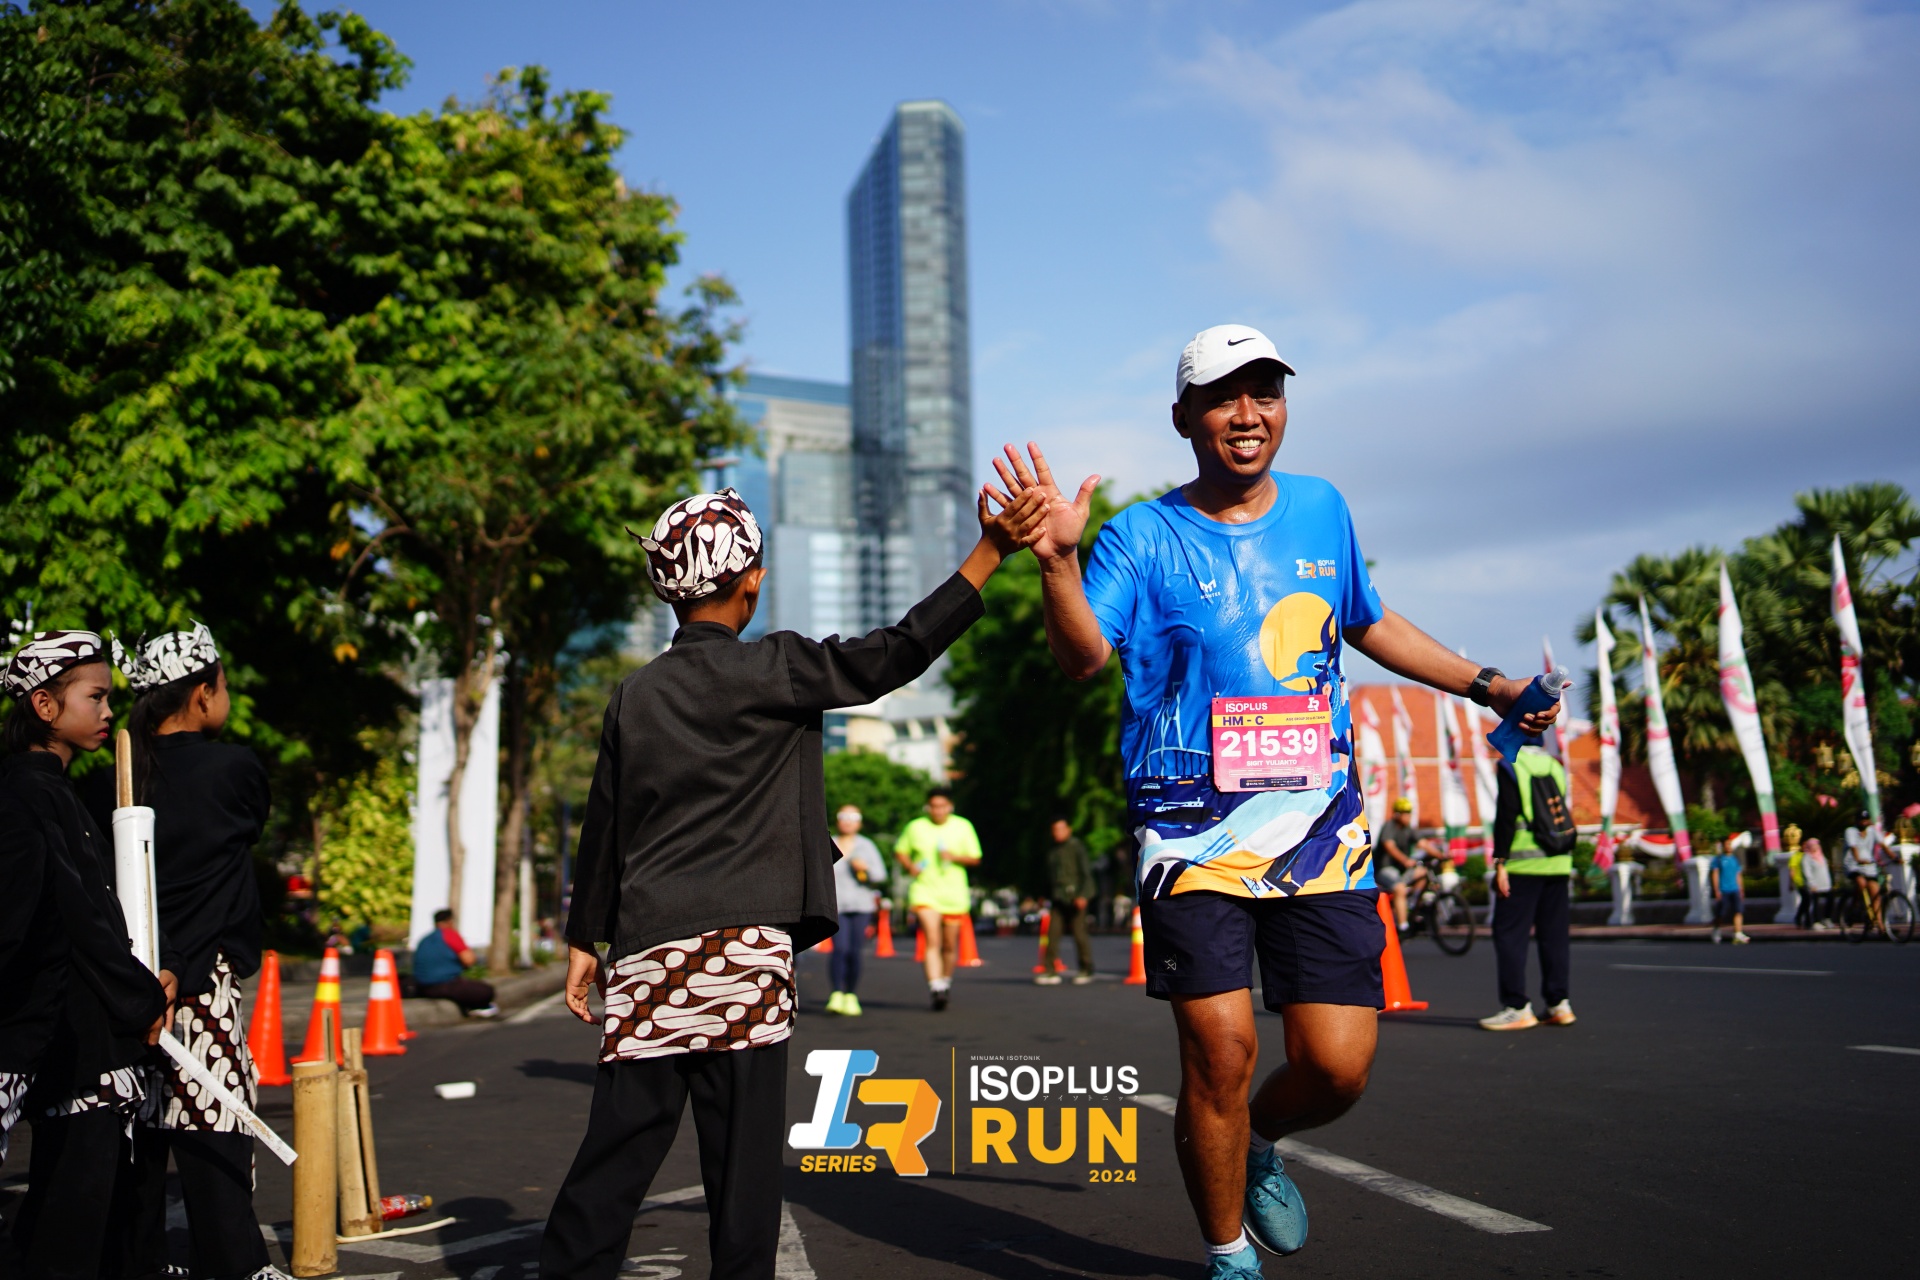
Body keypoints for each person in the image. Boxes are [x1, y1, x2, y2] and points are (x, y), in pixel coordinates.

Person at [999, 324, 1559, 1278]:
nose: (1248, 414)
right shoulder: (1140, 535)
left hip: (1319, 828)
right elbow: (1083, 657)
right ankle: (1228, 1258)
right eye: (1224, 397)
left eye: (1266, 392)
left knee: (1338, 1065)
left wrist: (1489, 685)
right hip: (1190, 831)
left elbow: (1368, 623)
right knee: (1220, 1051)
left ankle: (1255, 1139)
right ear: (1184, 418)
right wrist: (1057, 562)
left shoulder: (1322, 509)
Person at [540, 483, 1044, 1280]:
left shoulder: (633, 696)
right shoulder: (778, 666)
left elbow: (606, 826)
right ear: (751, 581)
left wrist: (583, 940)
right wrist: (990, 552)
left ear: (668, 589)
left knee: (615, 1158)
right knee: (742, 1178)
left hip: (648, 956)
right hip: (744, 958)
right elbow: (897, 651)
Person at [84, 625, 286, 1280]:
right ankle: (235, 1265)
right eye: (221, 686)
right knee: (214, 1115)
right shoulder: (235, 769)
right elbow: (242, 840)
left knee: (140, 1125)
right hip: (199, 973)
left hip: (127, 976)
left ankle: (136, 1263)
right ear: (202, 694)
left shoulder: (115, 778)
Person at [0, 630, 171, 1280]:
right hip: (65, 1039)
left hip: (72, 1036)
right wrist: (142, 996)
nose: (107, 710)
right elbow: (78, 921)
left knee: (73, 1215)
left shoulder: (51, 791)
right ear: (44, 706)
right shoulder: (30, 796)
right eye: (94, 697)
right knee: (69, 1224)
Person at [1480, 733, 1576, 1030]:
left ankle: (1517, 1006)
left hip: (1523, 864)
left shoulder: (1512, 764)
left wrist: (1500, 862)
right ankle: (1559, 1004)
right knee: (1554, 936)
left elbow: (1506, 816)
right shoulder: (1556, 765)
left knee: (1509, 934)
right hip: (1558, 860)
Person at [896, 786, 983, 1011]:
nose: (938, 811)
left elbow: (976, 858)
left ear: (950, 807)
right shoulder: (916, 826)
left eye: (942, 806)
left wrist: (953, 857)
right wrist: (910, 866)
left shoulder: (963, 826)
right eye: (934, 806)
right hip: (925, 891)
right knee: (932, 939)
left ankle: (945, 981)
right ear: (928, 807)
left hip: (954, 894)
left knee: (949, 944)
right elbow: (901, 851)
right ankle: (935, 986)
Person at [827, 805, 889, 1016]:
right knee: (840, 949)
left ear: (859, 822)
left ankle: (851, 994)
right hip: (836, 906)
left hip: (861, 906)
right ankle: (836, 993)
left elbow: (880, 875)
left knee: (854, 952)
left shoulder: (866, 845)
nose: (847, 820)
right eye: (843, 816)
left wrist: (865, 869)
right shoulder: (829, 843)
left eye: (852, 817)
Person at [1038, 817, 1096, 985]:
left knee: (1079, 934)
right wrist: (1043, 896)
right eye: (1055, 830)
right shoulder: (1052, 850)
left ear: (1068, 830)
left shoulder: (1076, 847)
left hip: (1076, 897)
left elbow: (1086, 874)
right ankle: (1050, 970)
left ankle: (1086, 969)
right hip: (1058, 898)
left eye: (1061, 829)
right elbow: (1048, 876)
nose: (1057, 833)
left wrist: (1083, 895)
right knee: (1053, 934)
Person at [413, 909, 498, 1016]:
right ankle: (476, 1008)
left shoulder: (424, 940)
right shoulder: (450, 935)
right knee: (486, 990)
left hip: (423, 986)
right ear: (449, 921)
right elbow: (469, 959)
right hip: (444, 984)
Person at [1375, 797, 1418, 933]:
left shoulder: (1408, 829)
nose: (1408, 816)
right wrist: (1405, 860)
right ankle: (1403, 926)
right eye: (1405, 813)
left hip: (1401, 870)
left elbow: (1422, 843)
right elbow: (1389, 846)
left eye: (1409, 813)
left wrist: (1441, 855)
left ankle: (1411, 904)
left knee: (1422, 872)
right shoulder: (1389, 827)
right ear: (1397, 814)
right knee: (1399, 888)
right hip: (1384, 869)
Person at [1842, 811, 1886, 930]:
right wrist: (1858, 859)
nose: (1864, 822)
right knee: (1861, 883)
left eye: (1866, 820)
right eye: (1861, 820)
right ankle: (1855, 906)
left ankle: (1880, 925)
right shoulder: (1850, 831)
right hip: (1853, 865)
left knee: (1875, 892)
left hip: (1869, 866)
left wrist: (1895, 857)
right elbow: (1853, 847)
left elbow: (1883, 844)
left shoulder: (1872, 831)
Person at [1709, 835, 1748, 945]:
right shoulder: (1718, 860)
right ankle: (1716, 929)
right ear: (1723, 846)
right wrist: (1716, 890)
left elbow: (1738, 875)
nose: (1729, 846)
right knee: (1721, 913)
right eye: (1727, 844)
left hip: (1735, 889)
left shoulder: (1735, 859)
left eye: (1730, 844)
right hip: (1724, 890)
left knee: (1738, 911)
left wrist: (1741, 889)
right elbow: (1715, 874)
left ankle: (1738, 933)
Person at [1799, 837, 1834, 930]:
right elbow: (1807, 872)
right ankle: (1815, 921)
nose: (1815, 847)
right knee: (1814, 903)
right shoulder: (1807, 858)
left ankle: (1826, 919)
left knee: (1830, 899)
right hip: (1814, 885)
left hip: (1825, 884)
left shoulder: (1821, 856)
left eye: (1816, 845)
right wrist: (1811, 884)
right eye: (1813, 845)